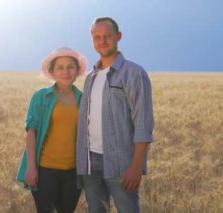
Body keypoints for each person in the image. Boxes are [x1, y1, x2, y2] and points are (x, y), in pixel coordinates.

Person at [76, 17, 154, 213]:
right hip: (90, 162)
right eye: (97, 37)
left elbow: (143, 124)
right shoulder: (90, 77)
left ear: (118, 36)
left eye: (107, 36)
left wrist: (136, 167)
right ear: (92, 41)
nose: (102, 41)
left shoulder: (134, 73)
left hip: (121, 164)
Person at [16, 47, 88, 213]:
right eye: (60, 67)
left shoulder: (83, 99)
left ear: (77, 70)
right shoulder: (41, 97)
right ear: (52, 72)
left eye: (70, 67)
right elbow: (31, 133)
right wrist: (31, 167)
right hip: (45, 171)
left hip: (73, 172)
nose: (66, 71)